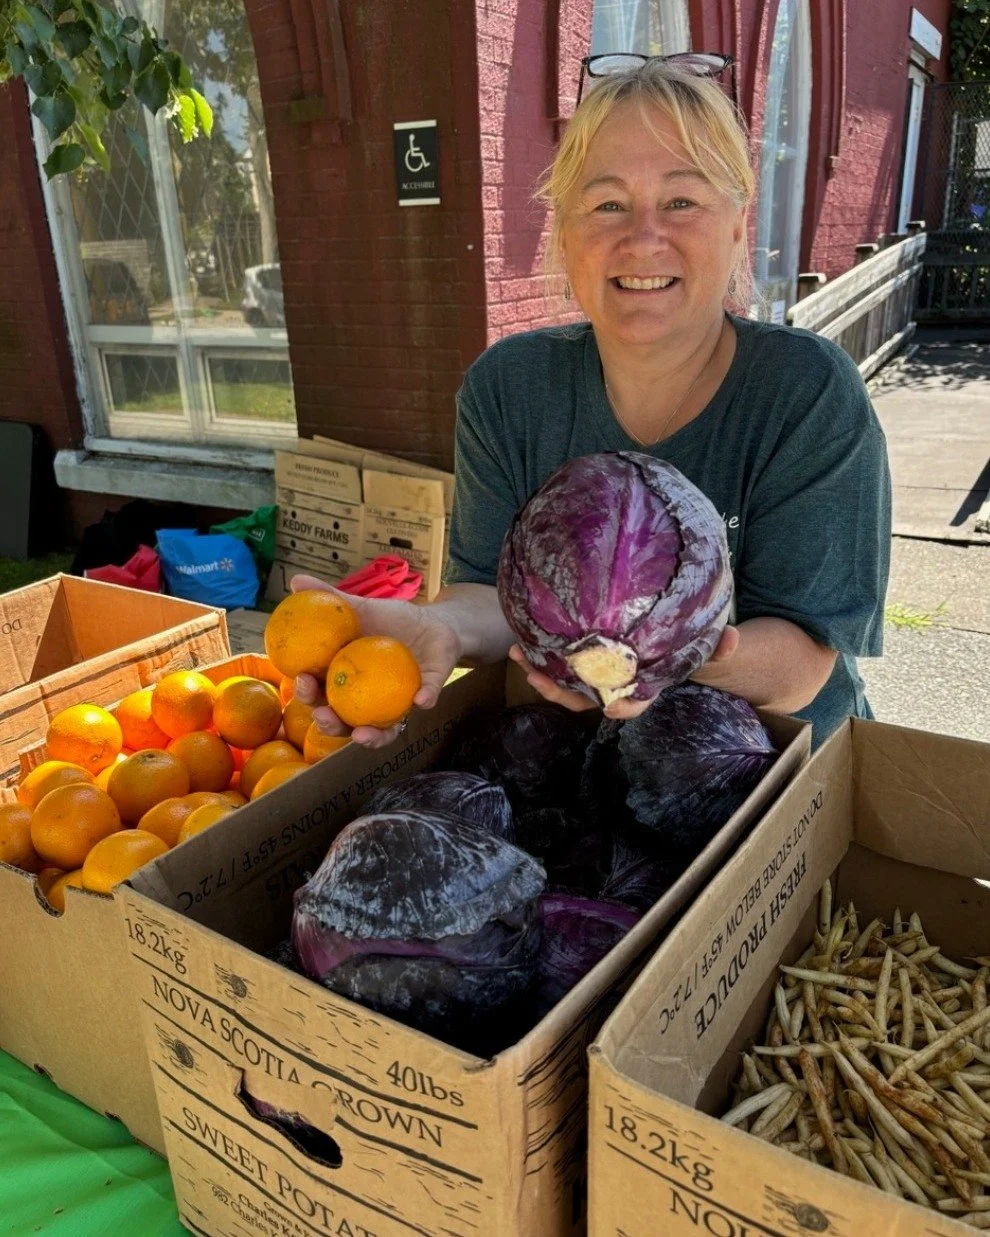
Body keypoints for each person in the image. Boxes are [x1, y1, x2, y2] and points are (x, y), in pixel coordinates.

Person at [294, 56, 890, 750]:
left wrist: (664, 657)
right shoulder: (507, 390)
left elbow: (801, 666)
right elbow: (495, 596)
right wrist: (445, 628)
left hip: (778, 776)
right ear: (566, 233)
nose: (642, 237)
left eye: (682, 200)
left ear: (736, 226)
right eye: (607, 203)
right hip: (599, 780)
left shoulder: (805, 393)